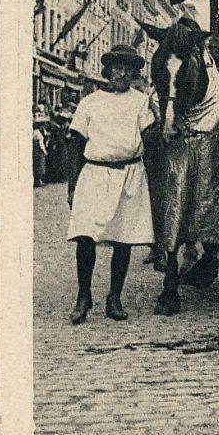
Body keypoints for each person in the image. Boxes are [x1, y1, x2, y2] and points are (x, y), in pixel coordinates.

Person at [64, 44, 157, 323]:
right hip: (94, 174)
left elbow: (151, 137)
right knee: (85, 237)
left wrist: (163, 119)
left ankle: (114, 298)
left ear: (134, 74)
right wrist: (71, 185)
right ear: (108, 70)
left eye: (128, 69)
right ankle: (83, 296)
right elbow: (76, 144)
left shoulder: (140, 101)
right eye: (117, 68)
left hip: (129, 174)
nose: (122, 74)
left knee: (123, 239)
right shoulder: (89, 103)